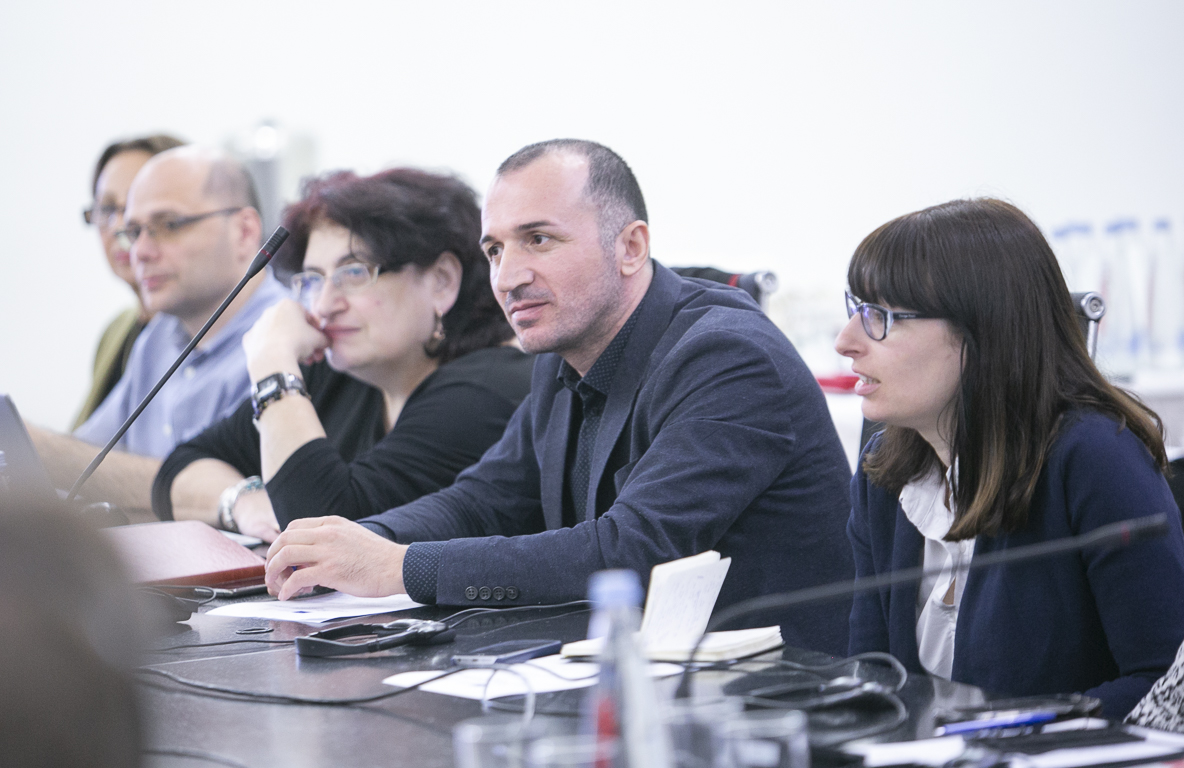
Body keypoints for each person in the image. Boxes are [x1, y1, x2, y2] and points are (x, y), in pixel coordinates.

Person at [264, 139, 855, 655]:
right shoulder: (562, 356)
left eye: (538, 239)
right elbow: (484, 500)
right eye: (495, 250)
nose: (507, 277)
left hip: (782, 699)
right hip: (642, 678)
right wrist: (354, 543)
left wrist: (398, 566)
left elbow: (633, 549)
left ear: (630, 247)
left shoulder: (727, 356)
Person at [837, 198, 1184, 717]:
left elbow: (1164, 686)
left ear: (982, 332)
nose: (846, 341)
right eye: (856, 308)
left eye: (880, 317)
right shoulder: (884, 472)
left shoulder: (1095, 458)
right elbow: (873, 677)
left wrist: (1007, 735)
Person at [151, 168, 533, 542]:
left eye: (353, 273)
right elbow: (179, 469)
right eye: (313, 279)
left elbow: (321, 532)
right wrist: (243, 501)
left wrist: (271, 360)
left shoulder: (487, 393)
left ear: (441, 281)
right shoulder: (341, 371)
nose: (323, 305)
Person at [29, 146, 287, 515]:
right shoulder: (157, 336)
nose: (141, 252)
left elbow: (232, 498)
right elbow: (90, 454)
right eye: (133, 232)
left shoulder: (291, 341)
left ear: (245, 232)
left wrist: (32, 446)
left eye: (168, 225)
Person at [74, 133, 185, 429]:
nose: (119, 227)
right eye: (107, 208)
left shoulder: (195, 333)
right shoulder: (116, 330)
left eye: (139, 205)